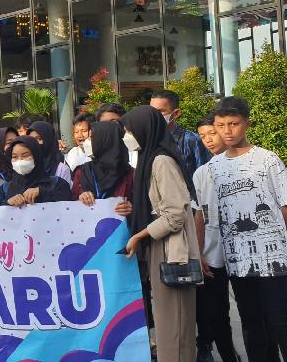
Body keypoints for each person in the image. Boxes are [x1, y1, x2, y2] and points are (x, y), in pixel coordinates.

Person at [208, 97, 287, 362]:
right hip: (238, 262)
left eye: (233, 124)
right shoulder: (213, 167)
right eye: (221, 125)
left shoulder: (267, 160)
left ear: (247, 124)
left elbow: (285, 205)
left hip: (276, 259)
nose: (227, 131)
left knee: (280, 320)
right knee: (251, 324)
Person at [122, 105, 200, 362]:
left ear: (145, 130)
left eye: (130, 131)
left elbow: (175, 215)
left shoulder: (161, 161)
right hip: (159, 244)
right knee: (170, 324)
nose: (127, 136)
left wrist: (139, 235)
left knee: (173, 326)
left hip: (170, 249)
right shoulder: (150, 159)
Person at [193, 113, 240, 362]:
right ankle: (228, 355)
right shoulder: (202, 172)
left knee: (255, 311)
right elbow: (199, 214)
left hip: (245, 252)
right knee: (218, 312)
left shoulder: (249, 164)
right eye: (203, 136)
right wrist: (199, 251)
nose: (209, 140)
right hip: (213, 253)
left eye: (212, 133)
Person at [0, 136, 72, 210]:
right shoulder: (5, 189)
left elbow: (68, 207)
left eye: (25, 155)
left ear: (36, 156)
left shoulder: (57, 184)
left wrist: (42, 191)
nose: (19, 160)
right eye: (14, 157)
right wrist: (2, 204)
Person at [72, 121, 133, 218]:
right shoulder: (82, 172)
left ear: (105, 141)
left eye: (91, 137)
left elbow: (143, 205)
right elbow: (70, 207)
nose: (87, 141)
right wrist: (80, 198)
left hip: (121, 226)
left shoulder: (131, 174)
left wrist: (132, 208)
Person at [150, 90, 210, 177]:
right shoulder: (146, 139)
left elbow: (204, 175)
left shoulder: (191, 140)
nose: (154, 115)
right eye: (152, 111)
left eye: (160, 111)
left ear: (176, 113)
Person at [27, 121, 72, 187]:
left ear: (48, 139)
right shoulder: (26, 165)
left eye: (39, 138)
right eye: (31, 139)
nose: (35, 143)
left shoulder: (61, 169)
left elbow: (65, 191)